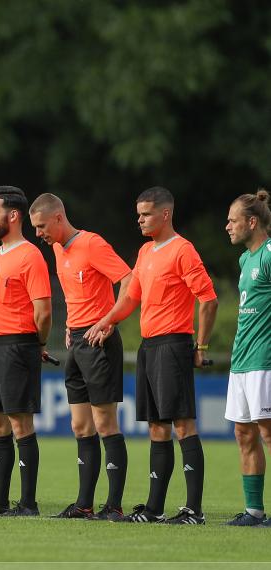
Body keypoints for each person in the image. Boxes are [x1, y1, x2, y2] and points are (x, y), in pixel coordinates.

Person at [87, 187, 218, 525]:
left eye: (145, 213)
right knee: (157, 429)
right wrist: (107, 320)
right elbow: (131, 298)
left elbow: (209, 299)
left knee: (182, 424)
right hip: (149, 346)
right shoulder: (145, 251)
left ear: (165, 214)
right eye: (138, 213)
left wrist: (200, 347)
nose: (140, 219)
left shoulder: (183, 250)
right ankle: (155, 509)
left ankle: (193, 511)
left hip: (174, 344)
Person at [28, 193, 131, 520]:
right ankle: (84, 505)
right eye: (34, 227)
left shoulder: (92, 243)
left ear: (58, 217)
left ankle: (113, 506)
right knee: (80, 425)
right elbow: (77, 294)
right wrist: (70, 325)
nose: (38, 233)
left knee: (104, 423)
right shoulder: (58, 248)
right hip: (77, 341)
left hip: (99, 340)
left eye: (42, 226)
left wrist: (110, 320)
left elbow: (128, 279)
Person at [0, 185, 51, 517]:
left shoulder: (30, 255)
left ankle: (28, 503)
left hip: (18, 345)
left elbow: (44, 310)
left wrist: (38, 344)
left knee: (20, 423)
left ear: (13, 216)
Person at [222, 189, 271, 527]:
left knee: (268, 433)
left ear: (252, 222)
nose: (227, 226)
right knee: (244, 434)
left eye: (233, 220)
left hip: (264, 360)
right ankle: (254, 511)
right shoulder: (245, 260)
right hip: (241, 361)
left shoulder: (269, 255)